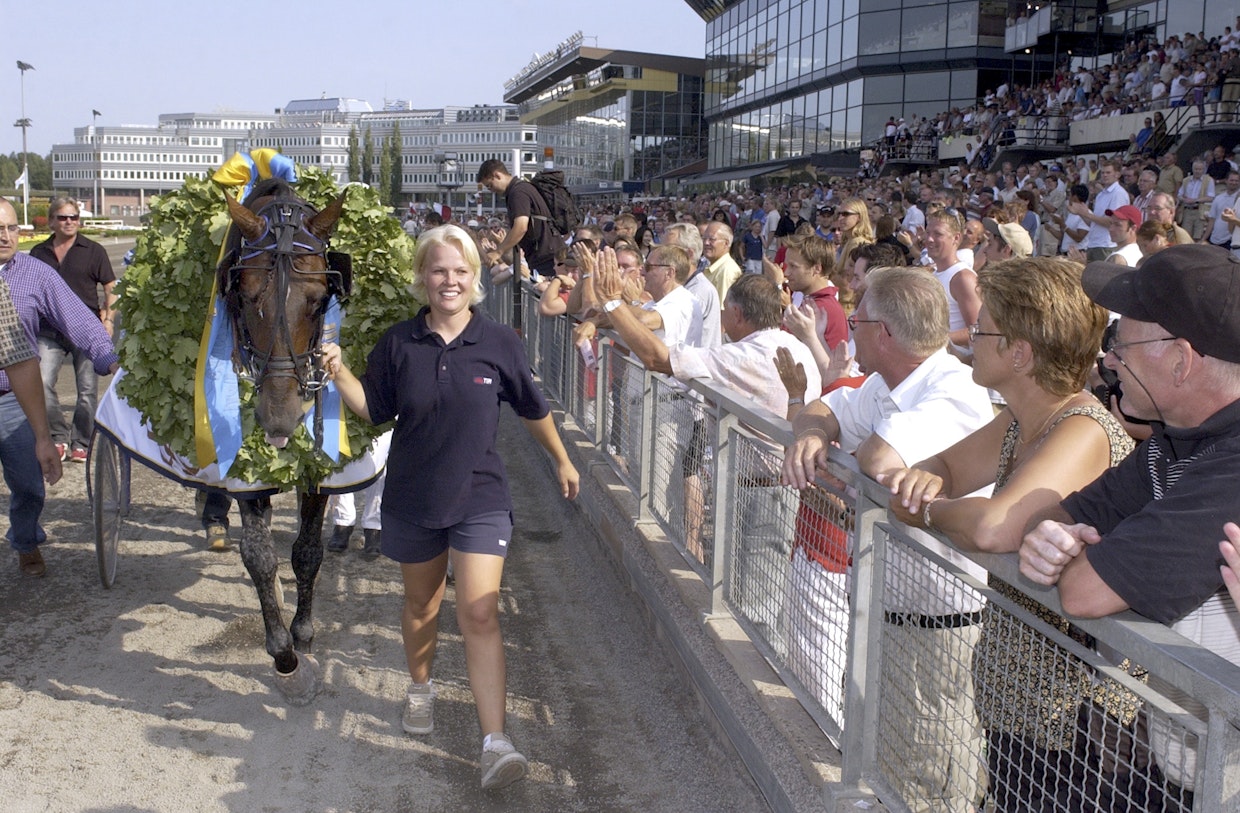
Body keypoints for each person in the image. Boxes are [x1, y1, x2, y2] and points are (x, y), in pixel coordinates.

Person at [319, 224, 579, 791]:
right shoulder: (398, 342)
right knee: (421, 604)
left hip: (481, 495)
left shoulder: (500, 342)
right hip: (413, 496)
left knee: (480, 612)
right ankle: (420, 687)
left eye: (460, 271)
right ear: (423, 277)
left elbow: (533, 408)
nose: (450, 281)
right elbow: (374, 408)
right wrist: (338, 370)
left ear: (474, 278)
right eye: (439, 270)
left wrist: (561, 458)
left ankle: (495, 742)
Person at [879, 256, 1142, 812]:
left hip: (1072, 722)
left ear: (1019, 352)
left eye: (982, 330)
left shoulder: (1084, 428)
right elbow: (938, 467)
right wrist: (934, 488)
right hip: (1023, 703)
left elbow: (997, 527)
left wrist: (929, 510)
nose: (970, 337)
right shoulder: (1022, 419)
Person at [1019, 244, 1240, 805]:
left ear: (1181, 359)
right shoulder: (1174, 439)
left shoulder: (1232, 463)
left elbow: (1086, 591)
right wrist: (1054, 537)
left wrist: (1068, 552)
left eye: (1121, 342)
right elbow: (1057, 516)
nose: (1110, 359)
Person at [781, 265, 994, 811]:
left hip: (937, 615)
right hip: (893, 599)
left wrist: (837, 453)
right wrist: (810, 433)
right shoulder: (885, 380)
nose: (850, 328)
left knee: (928, 753)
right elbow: (825, 408)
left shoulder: (951, 388)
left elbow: (878, 461)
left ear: (886, 334)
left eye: (858, 319)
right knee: (893, 748)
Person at [0, 199, 118, 577]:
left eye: (11, 228)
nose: (5, 236)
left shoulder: (33, 274)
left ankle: (26, 540)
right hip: (22, 380)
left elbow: (78, 320)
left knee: (30, 486)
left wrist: (109, 359)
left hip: (14, 400)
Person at [29, 197, 117, 463]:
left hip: (85, 330)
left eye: (74, 217)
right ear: (52, 221)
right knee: (41, 384)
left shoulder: (93, 250)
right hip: (48, 331)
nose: (69, 222)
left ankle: (81, 440)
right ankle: (57, 435)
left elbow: (111, 287)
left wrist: (109, 320)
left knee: (87, 390)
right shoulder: (38, 253)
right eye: (63, 217)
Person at [475, 160, 561, 280]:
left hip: (544, 256)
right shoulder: (519, 189)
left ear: (497, 175)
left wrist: (498, 252)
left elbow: (521, 227)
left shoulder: (518, 192)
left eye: (490, 185)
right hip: (543, 254)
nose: (491, 190)